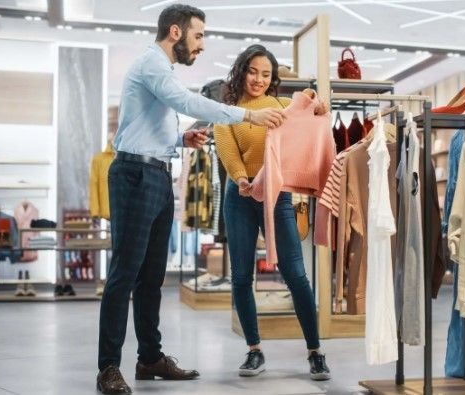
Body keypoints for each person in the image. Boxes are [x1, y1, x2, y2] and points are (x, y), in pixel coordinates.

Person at [96, 5, 286, 395]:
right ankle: (107, 369)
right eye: (198, 36)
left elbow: (149, 123)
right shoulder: (152, 63)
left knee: (151, 277)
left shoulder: (160, 69)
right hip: (135, 174)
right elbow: (185, 102)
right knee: (124, 274)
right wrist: (247, 117)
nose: (201, 44)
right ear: (176, 32)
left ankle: (150, 358)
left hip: (157, 173)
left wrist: (179, 140)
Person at [213, 44, 331, 381]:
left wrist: (317, 109)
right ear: (241, 71)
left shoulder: (281, 107)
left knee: (296, 273)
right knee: (240, 276)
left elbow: (308, 124)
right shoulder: (229, 110)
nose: (259, 80)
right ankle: (254, 350)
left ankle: (315, 351)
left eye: (266, 74)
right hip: (240, 196)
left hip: (277, 197)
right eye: (253, 71)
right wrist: (239, 179)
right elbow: (227, 149)